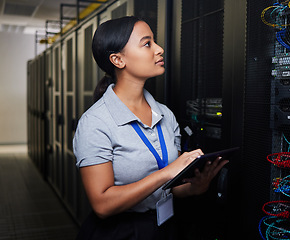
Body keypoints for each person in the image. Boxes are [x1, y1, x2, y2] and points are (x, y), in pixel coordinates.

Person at [73, 16, 228, 240]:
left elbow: (171, 186)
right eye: (147, 44)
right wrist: (166, 172)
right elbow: (102, 204)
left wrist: (195, 187)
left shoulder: (165, 114)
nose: (159, 49)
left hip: (164, 227)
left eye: (154, 42)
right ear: (118, 60)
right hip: (119, 232)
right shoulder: (96, 122)